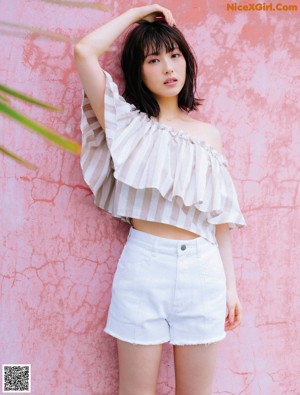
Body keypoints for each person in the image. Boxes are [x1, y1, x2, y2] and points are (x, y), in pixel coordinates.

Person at [74, 4, 246, 395]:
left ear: (186, 63)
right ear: (138, 70)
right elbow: (84, 51)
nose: (168, 67)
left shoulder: (209, 136)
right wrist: (138, 14)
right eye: (154, 59)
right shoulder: (127, 124)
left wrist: (231, 287)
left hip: (202, 272)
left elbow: (219, 219)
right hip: (144, 266)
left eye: (174, 55)